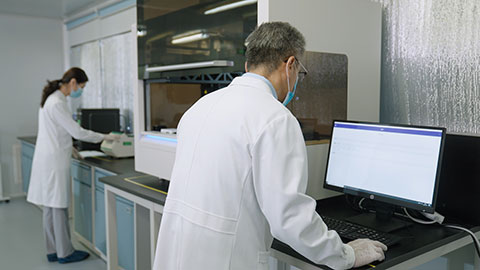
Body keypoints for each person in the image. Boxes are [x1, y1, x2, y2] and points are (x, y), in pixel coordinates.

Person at [152, 22, 386, 270]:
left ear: (247, 65)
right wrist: (346, 255)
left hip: (177, 255)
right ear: (290, 64)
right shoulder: (275, 118)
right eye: (299, 72)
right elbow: (290, 218)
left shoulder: (199, 107)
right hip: (227, 260)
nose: (297, 79)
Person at [27, 67, 119, 264]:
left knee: (50, 209)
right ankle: (65, 253)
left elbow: (57, 132)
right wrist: (105, 136)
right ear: (73, 82)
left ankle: (53, 250)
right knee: (58, 208)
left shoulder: (51, 99)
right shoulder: (57, 103)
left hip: (48, 158)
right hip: (53, 162)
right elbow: (77, 132)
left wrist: (72, 150)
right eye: (82, 87)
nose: (80, 91)